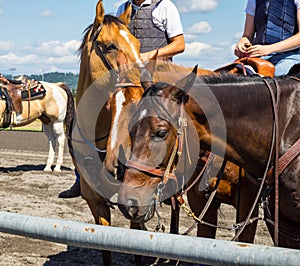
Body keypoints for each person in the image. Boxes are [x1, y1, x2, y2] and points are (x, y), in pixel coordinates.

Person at [58, 0, 185, 198]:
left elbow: (180, 44)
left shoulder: (165, 7)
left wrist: (148, 55)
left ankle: (176, 178)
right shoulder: (122, 10)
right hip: (128, 73)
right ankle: (82, 177)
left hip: (158, 70)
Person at [234, 0, 300, 76]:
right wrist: (242, 43)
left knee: (276, 78)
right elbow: (247, 35)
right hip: (259, 57)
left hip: (291, 56)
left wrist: (268, 49)